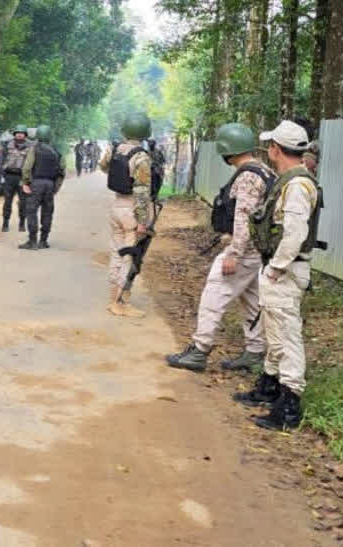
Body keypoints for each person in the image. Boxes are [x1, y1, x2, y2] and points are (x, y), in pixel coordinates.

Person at [233, 120, 321, 432]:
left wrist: (276, 268)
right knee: (274, 331)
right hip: (280, 268)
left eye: (270, 144)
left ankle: (289, 406)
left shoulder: (297, 186)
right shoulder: (290, 181)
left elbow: (295, 233)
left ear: (275, 149)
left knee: (287, 336)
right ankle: (269, 387)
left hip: (285, 269)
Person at [166, 124, 273, 373]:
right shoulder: (264, 171)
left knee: (213, 296)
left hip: (245, 251)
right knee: (252, 301)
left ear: (228, 150)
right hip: (259, 251)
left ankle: (199, 350)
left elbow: (243, 217)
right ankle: (254, 353)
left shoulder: (247, 176)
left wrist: (234, 253)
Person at [101, 113, 154, 318]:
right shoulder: (141, 157)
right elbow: (141, 190)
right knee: (129, 257)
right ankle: (120, 303)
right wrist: (142, 220)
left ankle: (113, 298)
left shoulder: (115, 150)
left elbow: (104, 167)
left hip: (116, 205)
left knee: (116, 253)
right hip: (132, 209)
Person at [18, 125, 64, 250]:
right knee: (47, 212)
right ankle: (43, 241)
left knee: (31, 211)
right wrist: (55, 187)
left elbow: (27, 167)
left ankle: (32, 241)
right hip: (50, 184)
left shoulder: (34, 149)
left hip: (36, 183)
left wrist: (26, 183)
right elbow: (61, 171)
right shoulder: (56, 152)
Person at [1, 124, 31, 233]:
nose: (19, 135)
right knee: (7, 201)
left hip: (22, 177)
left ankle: (22, 223)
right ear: (14, 134)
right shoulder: (6, 145)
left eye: (21, 133)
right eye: (17, 133)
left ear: (25, 134)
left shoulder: (31, 146)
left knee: (23, 202)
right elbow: (0, 159)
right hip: (9, 176)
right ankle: (5, 223)